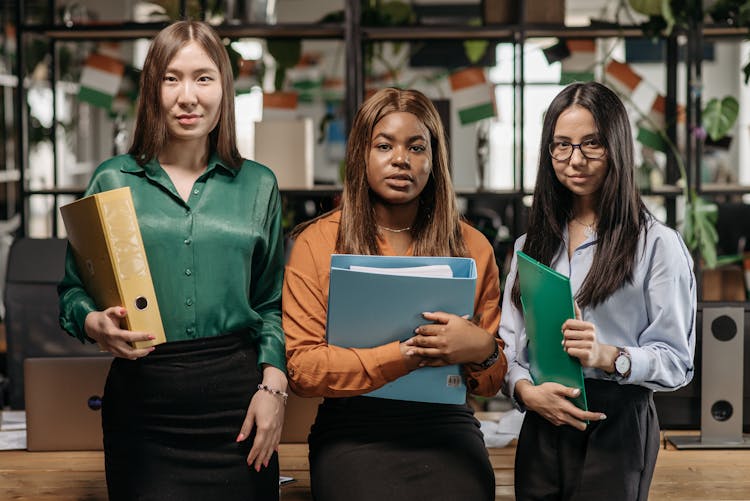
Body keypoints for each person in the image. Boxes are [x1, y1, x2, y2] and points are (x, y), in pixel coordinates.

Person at [58, 20, 287, 500]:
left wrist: (274, 388)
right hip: (143, 407)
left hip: (239, 407)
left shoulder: (259, 185)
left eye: (204, 78)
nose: (188, 96)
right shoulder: (111, 180)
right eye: (171, 78)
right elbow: (72, 292)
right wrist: (95, 323)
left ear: (224, 89)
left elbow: (270, 305)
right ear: (152, 89)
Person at [282, 87, 507, 501]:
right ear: (361, 156)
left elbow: (490, 384)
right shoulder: (317, 243)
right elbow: (303, 369)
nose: (401, 159)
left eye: (416, 147)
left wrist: (483, 349)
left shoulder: (472, 247)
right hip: (353, 428)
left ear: (434, 160)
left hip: (445, 426)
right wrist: (405, 355)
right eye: (384, 145)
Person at [499, 81, 696, 500]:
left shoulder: (657, 245)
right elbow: (509, 345)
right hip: (543, 415)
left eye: (592, 144)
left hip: (617, 419)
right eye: (562, 145)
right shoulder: (528, 246)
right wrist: (525, 391)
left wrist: (610, 356)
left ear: (617, 146)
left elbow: (678, 362)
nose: (575, 159)